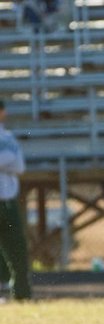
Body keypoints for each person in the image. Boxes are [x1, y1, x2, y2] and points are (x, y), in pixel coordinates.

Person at [0, 99, 32, 302]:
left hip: (7, 201)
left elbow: (19, 166)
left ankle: (21, 293)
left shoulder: (7, 137)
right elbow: (11, 161)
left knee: (16, 248)